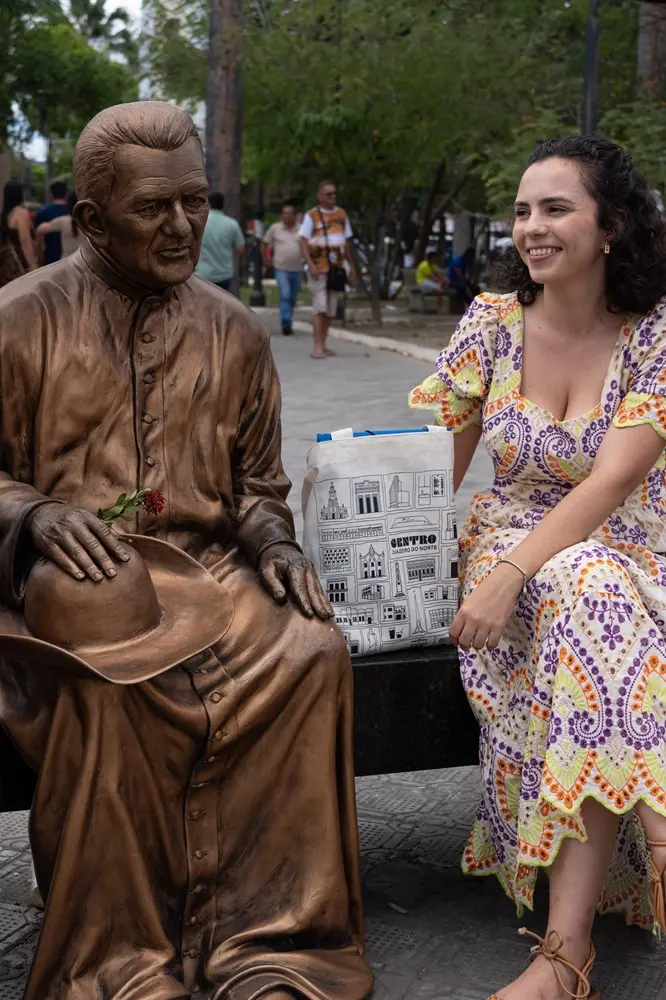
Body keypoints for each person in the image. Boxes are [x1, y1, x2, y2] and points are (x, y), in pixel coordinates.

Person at [0, 100, 373, 1000]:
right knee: (104, 680)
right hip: (62, 588)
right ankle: (118, 964)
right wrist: (33, 514)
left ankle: (275, 944)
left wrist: (274, 541)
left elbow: (257, 488)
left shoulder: (235, 330)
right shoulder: (17, 323)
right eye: (152, 208)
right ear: (92, 221)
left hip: (211, 572)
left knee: (311, 650)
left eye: (194, 202)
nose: (181, 226)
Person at [409, 134, 666, 1000]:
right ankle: (601, 907)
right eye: (522, 211)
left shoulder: (654, 334)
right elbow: (435, 471)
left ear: (612, 225)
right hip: (511, 549)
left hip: (633, 551)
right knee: (586, 588)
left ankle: (566, 957)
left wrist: (514, 574)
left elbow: (614, 481)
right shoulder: (491, 325)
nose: (531, 227)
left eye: (557, 208)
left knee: (591, 585)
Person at [300, 181, 356, 359]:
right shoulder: (312, 215)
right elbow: (303, 241)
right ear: (320, 196)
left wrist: (351, 267)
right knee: (320, 307)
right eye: (328, 194)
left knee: (331, 310)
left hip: (336, 267)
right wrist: (310, 264)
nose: (332, 197)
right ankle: (317, 346)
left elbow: (346, 243)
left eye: (334, 193)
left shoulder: (341, 214)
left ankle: (323, 344)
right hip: (319, 267)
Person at [262, 202, 303, 336]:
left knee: (292, 297)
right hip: (281, 268)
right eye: (284, 213)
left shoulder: (302, 229)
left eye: (289, 213)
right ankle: (286, 321)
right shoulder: (275, 228)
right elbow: (265, 243)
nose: (287, 216)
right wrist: (266, 259)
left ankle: (288, 316)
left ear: (294, 215)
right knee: (285, 294)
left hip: (297, 268)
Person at [194, 190, 245, 292]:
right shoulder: (232, 224)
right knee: (222, 301)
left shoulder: (200, 222)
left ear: (208, 204)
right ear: (222, 204)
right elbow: (240, 249)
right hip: (224, 274)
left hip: (203, 273)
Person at [0, 179, 37, 273]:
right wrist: (33, 266)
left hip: (7, 267)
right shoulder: (21, 213)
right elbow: (25, 241)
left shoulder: (5, 215)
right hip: (21, 265)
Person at [35, 190, 84, 258]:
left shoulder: (63, 221)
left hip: (66, 261)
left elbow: (39, 229)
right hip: (87, 261)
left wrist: (39, 252)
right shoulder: (89, 222)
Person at [34, 180, 70, 264]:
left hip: (50, 260)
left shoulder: (42, 213)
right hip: (71, 259)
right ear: (66, 194)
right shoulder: (73, 211)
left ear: (51, 195)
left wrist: (40, 258)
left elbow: (38, 238)